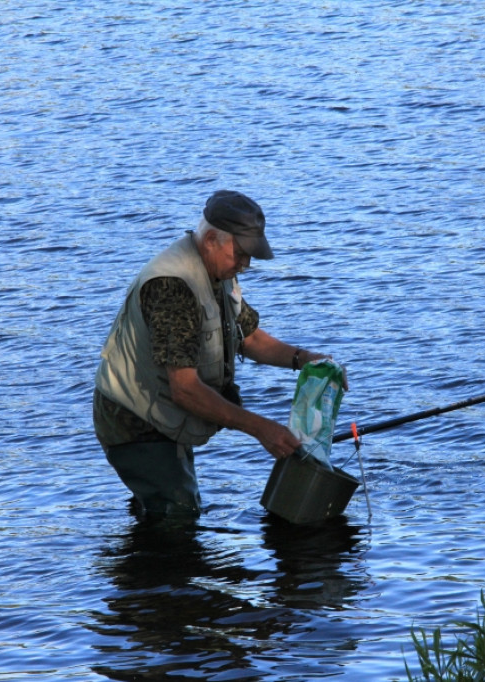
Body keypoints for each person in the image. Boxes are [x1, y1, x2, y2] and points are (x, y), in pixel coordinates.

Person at [93, 190, 343, 518]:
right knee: (179, 514)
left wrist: (306, 359)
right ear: (211, 239)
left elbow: (249, 337)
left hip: (163, 415)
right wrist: (262, 429)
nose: (246, 264)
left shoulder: (220, 273)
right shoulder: (173, 286)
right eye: (240, 254)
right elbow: (184, 388)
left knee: (166, 506)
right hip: (133, 422)